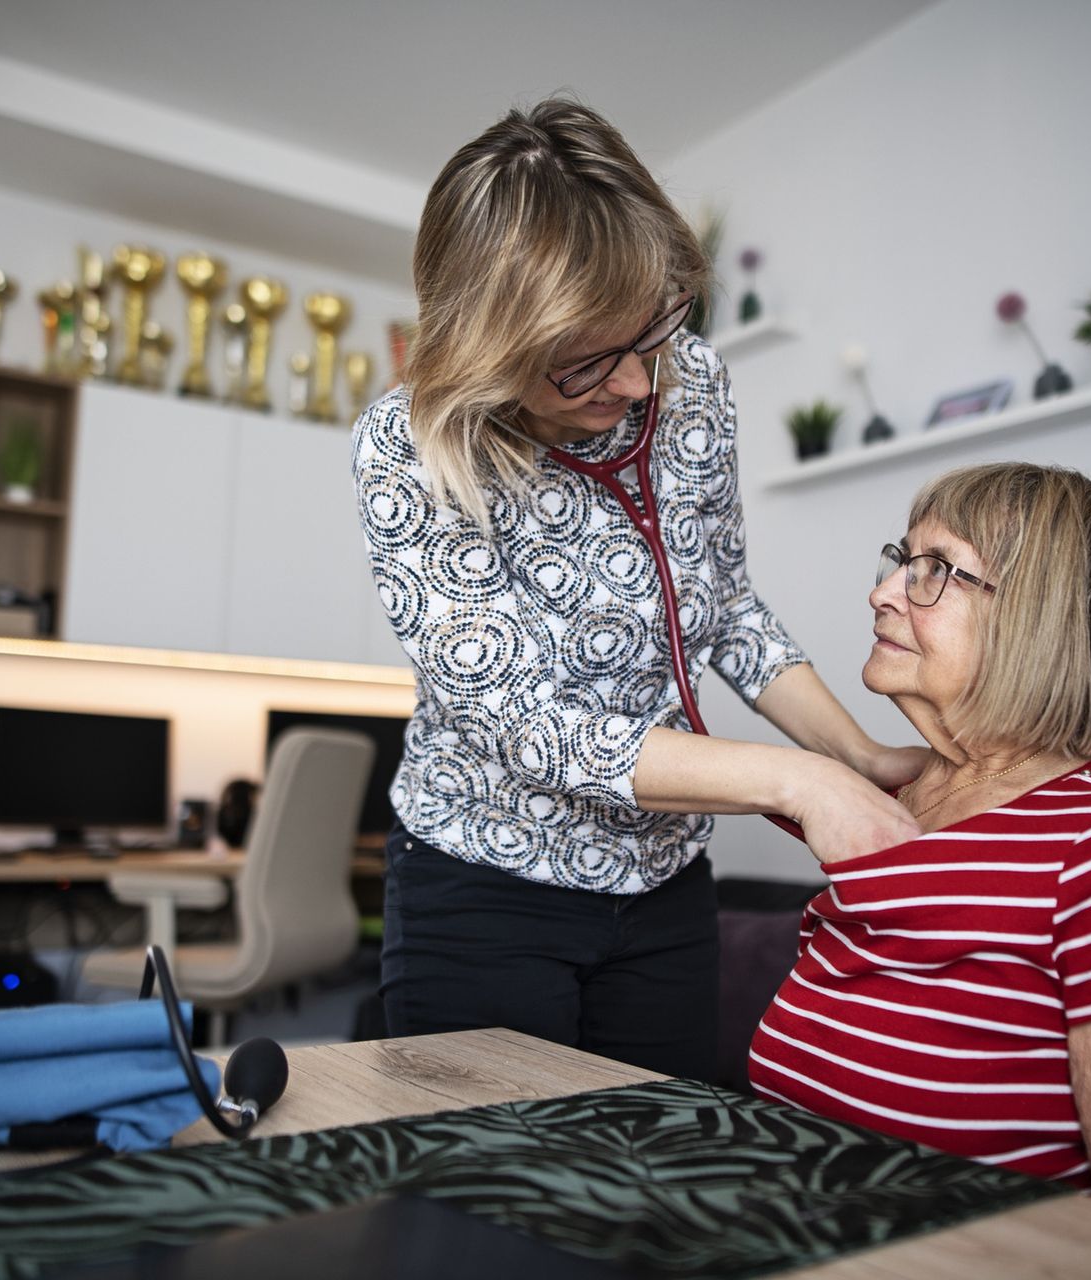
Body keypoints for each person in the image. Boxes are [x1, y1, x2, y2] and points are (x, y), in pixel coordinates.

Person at [351, 98, 923, 1080]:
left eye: (650, 335)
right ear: (491, 353)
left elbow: (728, 608)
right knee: (489, 1208)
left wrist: (859, 755)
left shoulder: (692, 379)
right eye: (587, 365)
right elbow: (525, 721)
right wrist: (796, 778)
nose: (639, 387)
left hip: (665, 883)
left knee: (655, 1204)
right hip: (486, 886)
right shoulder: (411, 448)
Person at [747, 462, 1091, 1234]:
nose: (882, 592)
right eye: (902, 562)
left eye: (936, 571)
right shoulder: (892, 802)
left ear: (1041, 622)